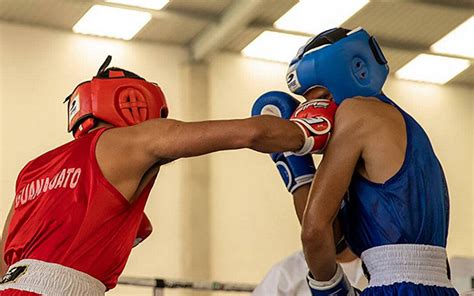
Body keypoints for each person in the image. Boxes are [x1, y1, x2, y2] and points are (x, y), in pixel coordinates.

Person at [0, 56, 336, 295]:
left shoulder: (33, 169)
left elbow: (5, 263)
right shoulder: (134, 140)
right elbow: (246, 133)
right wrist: (305, 130)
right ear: (136, 103)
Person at [283, 26, 457, 295]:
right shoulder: (411, 133)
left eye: (322, 98)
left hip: (392, 286)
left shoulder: (355, 114)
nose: (316, 112)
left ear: (356, 71)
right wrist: (300, 173)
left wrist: (329, 288)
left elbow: (314, 230)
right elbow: (339, 241)